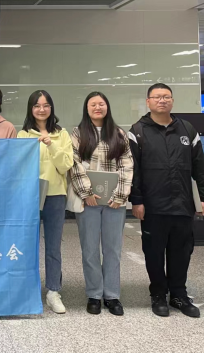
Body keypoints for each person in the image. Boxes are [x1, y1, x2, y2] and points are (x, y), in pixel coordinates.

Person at [129, 83, 204, 318]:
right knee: (153, 253)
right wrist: (136, 200)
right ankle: (158, 294)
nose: (162, 100)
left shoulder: (187, 130)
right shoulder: (137, 131)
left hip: (182, 204)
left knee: (181, 251)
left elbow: (200, 166)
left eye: (166, 96)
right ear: (148, 102)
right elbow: (133, 170)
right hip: (152, 206)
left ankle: (178, 294)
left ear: (172, 101)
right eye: (157, 97)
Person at [69, 92, 133, 316]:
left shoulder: (119, 133)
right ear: (86, 109)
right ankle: (94, 294)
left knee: (113, 249)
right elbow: (74, 164)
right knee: (89, 249)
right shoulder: (78, 133)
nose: (97, 107)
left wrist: (120, 195)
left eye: (101, 104)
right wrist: (86, 192)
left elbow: (127, 165)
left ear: (107, 107)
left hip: (114, 202)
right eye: (93, 104)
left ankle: (112, 295)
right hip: (88, 201)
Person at [17, 90, 73, 314]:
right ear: (31, 109)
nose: (42, 109)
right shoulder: (23, 135)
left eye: (46, 105)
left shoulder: (62, 134)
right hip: (30, 196)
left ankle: (53, 291)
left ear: (51, 108)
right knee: (27, 244)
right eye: (37, 105)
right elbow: (18, 167)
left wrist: (51, 144)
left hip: (55, 195)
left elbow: (66, 165)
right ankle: (27, 288)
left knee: (53, 246)